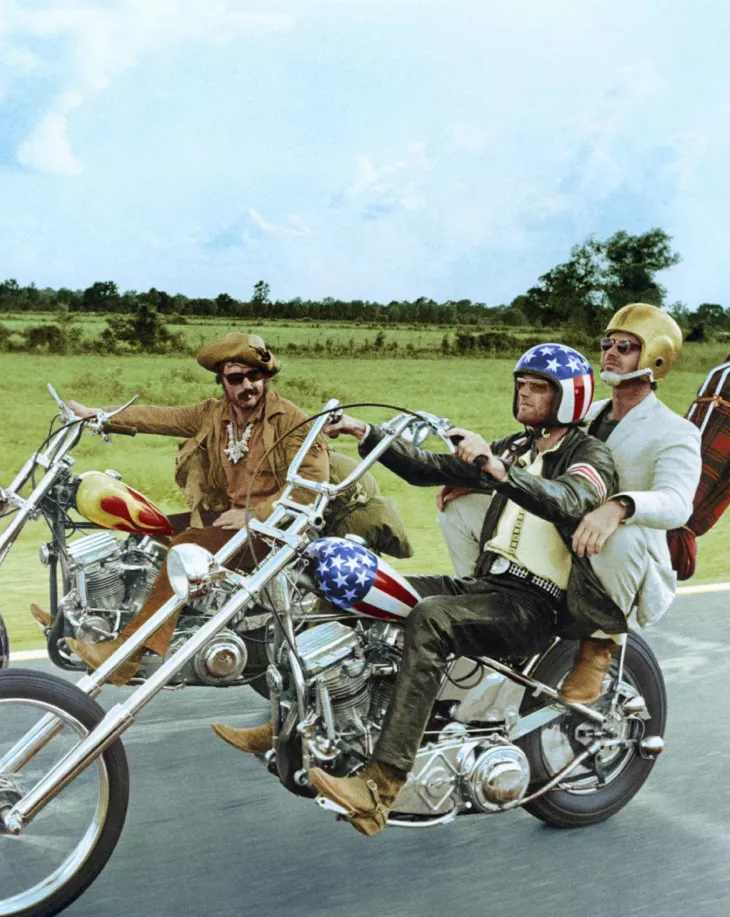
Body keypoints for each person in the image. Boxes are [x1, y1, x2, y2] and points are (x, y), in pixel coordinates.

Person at [213, 344, 623, 836]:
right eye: (522, 384)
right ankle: (293, 726)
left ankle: (380, 786)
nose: (525, 393)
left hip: (536, 606)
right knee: (352, 587)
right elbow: (426, 467)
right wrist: (369, 433)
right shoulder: (518, 448)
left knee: (431, 618)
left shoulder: (587, 455)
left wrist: (495, 469)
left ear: (570, 398)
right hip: (488, 584)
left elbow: (572, 500)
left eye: (538, 388)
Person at [62, 331, 329, 683]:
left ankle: (128, 654)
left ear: (265, 378)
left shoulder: (292, 422)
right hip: (231, 519)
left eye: (256, 376)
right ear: (223, 382)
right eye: (237, 378)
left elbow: (313, 485)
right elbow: (157, 417)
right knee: (142, 530)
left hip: (278, 531)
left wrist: (256, 515)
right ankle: (90, 623)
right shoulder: (212, 415)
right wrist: (97, 415)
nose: (248, 385)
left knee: (186, 547)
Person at [560, 303, 701, 703]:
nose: (610, 352)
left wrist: (620, 507)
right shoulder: (582, 416)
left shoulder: (676, 431)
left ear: (656, 357)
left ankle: (599, 648)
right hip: (564, 537)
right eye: (607, 343)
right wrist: (479, 477)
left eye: (626, 346)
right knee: (464, 508)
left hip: (626, 554)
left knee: (620, 537)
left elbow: (677, 503)